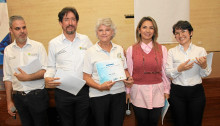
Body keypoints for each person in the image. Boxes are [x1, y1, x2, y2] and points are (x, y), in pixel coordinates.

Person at [44, 7, 93, 126]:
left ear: (77, 22)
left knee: (84, 122)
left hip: (83, 91)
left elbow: (94, 59)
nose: (70, 23)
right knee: (66, 123)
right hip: (63, 92)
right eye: (66, 19)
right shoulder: (54, 43)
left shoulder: (85, 40)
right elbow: (50, 66)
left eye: (73, 19)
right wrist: (47, 77)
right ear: (60, 23)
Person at [83, 18, 133, 126]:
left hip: (118, 94)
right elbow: (86, 77)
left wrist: (128, 79)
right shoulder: (90, 52)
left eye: (107, 30)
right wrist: (99, 87)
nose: (104, 33)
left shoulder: (119, 49)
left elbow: (124, 70)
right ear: (97, 33)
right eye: (101, 30)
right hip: (98, 96)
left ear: (113, 32)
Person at [3, 15, 48, 126]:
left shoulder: (38, 46)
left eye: (24, 27)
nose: (22, 31)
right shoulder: (8, 50)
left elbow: (46, 70)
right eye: (17, 29)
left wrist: (28, 77)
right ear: (10, 30)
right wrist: (9, 102)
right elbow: (7, 77)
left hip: (37, 97)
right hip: (19, 98)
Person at [126, 16, 170, 126]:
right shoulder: (131, 49)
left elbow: (164, 73)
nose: (148, 30)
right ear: (139, 30)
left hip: (158, 91)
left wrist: (167, 90)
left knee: (154, 122)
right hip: (138, 91)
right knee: (141, 122)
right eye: (144, 27)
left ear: (154, 31)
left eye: (151, 28)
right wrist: (127, 92)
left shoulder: (162, 49)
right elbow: (129, 73)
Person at [165, 20, 212, 126]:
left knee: (195, 123)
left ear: (191, 33)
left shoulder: (200, 50)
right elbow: (168, 73)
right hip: (177, 93)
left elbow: (205, 74)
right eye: (177, 33)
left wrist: (204, 66)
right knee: (179, 122)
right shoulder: (172, 52)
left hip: (196, 92)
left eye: (183, 31)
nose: (180, 35)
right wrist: (179, 69)